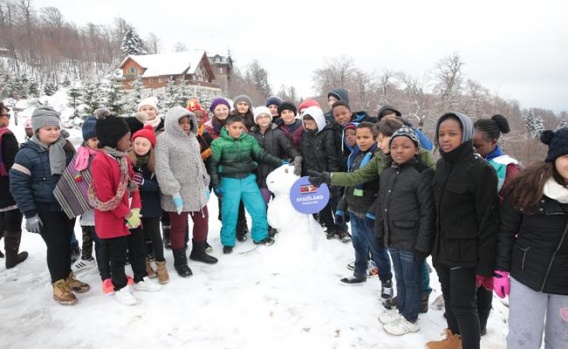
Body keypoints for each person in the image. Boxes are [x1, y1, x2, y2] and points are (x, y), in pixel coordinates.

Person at [425, 112, 499, 349]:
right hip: (442, 248)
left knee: (464, 305)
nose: (445, 139)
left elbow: (489, 220)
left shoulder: (480, 170)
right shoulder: (442, 164)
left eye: (452, 134)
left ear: (465, 135)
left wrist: (485, 265)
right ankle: (453, 340)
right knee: (449, 300)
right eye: (442, 134)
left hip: (467, 253)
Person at [493, 127, 568, 349]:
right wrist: (500, 270)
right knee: (523, 340)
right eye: (567, 156)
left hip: (565, 285)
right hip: (527, 276)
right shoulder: (529, 186)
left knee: (562, 341)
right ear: (555, 157)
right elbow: (506, 230)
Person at [10, 106, 89, 305]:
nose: (53, 132)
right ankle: (58, 284)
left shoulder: (65, 146)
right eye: (48, 129)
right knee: (56, 245)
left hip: (66, 205)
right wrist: (30, 214)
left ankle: (67, 276)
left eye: (56, 128)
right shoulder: (26, 154)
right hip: (45, 208)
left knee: (67, 244)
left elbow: (76, 172)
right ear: (37, 131)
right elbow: (18, 185)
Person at [89, 109, 160, 306]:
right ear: (113, 138)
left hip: (131, 215)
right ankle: (120, 286)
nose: (130, 142)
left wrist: (136, 209)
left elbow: (133, 185)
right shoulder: (101, 161)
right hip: (113, 217)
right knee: (117, 254)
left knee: (138, 248)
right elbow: (106, 196)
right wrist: (127, 214)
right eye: (127, 138)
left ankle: (140, 277)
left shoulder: (123, 158)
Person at [375, 126, 435, 336]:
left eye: (405, 146)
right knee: (399, 276)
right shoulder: (388, 173)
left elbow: (428, 213)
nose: (399, 151)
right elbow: (382, 204)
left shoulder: (422, 174)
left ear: (416, 149)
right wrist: (379, 231)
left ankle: (411, 317)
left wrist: (423, 243)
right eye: (395, 146)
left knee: (411, 279)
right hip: (392, 236)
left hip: (411, 238)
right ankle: (402, 309)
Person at [472, 114, 522, 335]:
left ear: (493, 142)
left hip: (495, 235)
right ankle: (468, 315)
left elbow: (516, 206)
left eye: (478, 145)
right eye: (470, 145)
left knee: (484, 281)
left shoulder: (507, 168)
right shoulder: (475, 161)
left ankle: (479, 324)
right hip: (473, 231)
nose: (474, 149)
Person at [155, 106, 217, 277]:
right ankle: (180, 260)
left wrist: (205, 182)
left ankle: (198, 251)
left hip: (196, 189)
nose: (185, 125)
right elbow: (162, 167)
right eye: (180, 122)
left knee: (203, 221)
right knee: (179, 227)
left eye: (187, 122)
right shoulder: (164, 140)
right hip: (178, 192)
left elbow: (199, 162)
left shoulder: (192, 138)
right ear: (172, 123)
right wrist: (173, 191)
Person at [208, 115, 285, 254]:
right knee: (229, 213)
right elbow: (213, 164)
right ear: (227, 127)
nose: (238, 131)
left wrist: (280, 162)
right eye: (234, 128)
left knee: (259, 208)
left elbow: (261, 154)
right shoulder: (218, 143)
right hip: (229, 180)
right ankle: (228, 241)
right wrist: (216, 184)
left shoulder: (249, 139)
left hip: (248, 178)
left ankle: (260, 236)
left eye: (240, 128)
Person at [334, 122, 393, 291]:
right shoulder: (355, 156)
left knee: (378, 250)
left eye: (366, 137)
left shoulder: (379, 158)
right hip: (354, 210)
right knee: (358, 245)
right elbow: (351, 183)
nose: (361, 141)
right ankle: (360, 273)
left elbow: (384, 189)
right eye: (358, 137)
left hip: (370, 213)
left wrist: (374, 212)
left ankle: (386, 283)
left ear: (375, 138)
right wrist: (341, 207)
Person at [250, 106, 302, 236]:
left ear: (271, 117)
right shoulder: (251, 135)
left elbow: (288, 147)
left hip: (276, 175)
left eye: (266, 116)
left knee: (279, 202)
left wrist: (296, 157)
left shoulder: (277, 132)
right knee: (262, 203)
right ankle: (265, 226)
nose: (263, 119)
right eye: (260, 117)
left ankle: (278, 225)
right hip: (260, 174)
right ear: (256, 119)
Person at [299, 106, 348, 241]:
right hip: (314, 176)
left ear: (319, 121)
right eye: (305, 124)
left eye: (310, 123)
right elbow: (304, 155)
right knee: (322, 204)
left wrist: (332, 178)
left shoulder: (328, 133)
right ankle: (330, 227)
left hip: (328, 174)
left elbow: (332, 157)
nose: (308, 126)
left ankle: (342, 229)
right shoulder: (306, 135)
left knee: (334, 202)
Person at [128, 125, 170, 284]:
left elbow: (159, 186)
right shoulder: (128, 161)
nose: (140, 147)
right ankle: (145, 262)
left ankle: (161, 264)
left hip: (152, 207)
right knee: (140, 237)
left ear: (151, 146)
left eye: (144, 144)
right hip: (135, 208)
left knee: (155, 236)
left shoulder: (155, 162)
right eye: (137, 143)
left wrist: (144, 183)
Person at [0, 102, 28, 268]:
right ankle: (12, 256)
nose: (8, 118)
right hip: (6, 184)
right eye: (6, 115)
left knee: (1, 216)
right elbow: (13, 164)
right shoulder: (6, 135)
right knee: (13, 217)